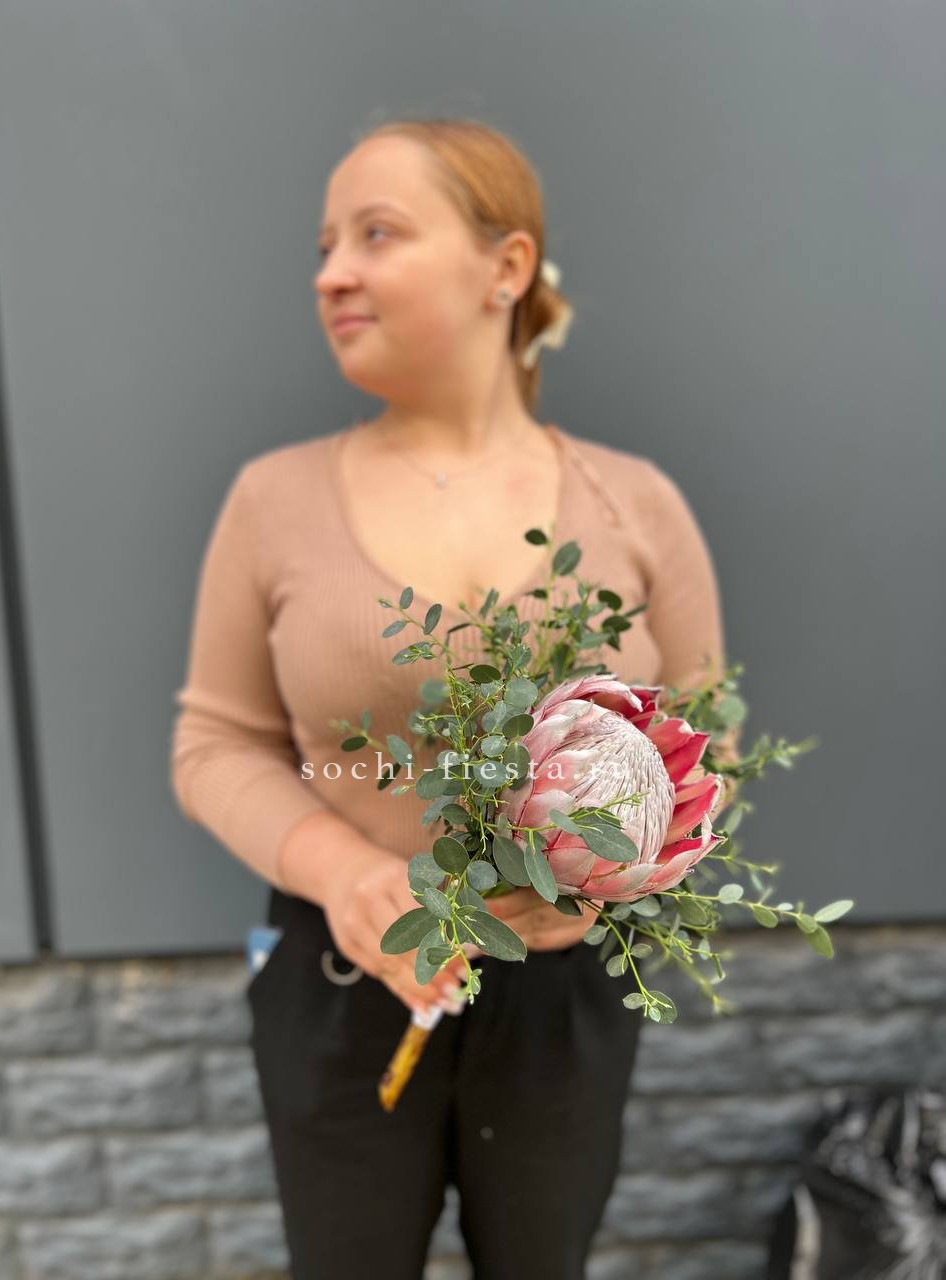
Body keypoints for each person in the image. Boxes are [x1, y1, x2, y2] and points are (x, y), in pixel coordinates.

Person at [169, 116, 739, 1280]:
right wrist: (345, 873)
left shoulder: (633, 505)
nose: (331, 272)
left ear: (505, 266)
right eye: (325, 245)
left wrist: (614, 872)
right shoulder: (273, 501)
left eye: (376, 234)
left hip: (563, 990)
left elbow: (706, 746)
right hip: (342, 978)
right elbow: (215, 740)